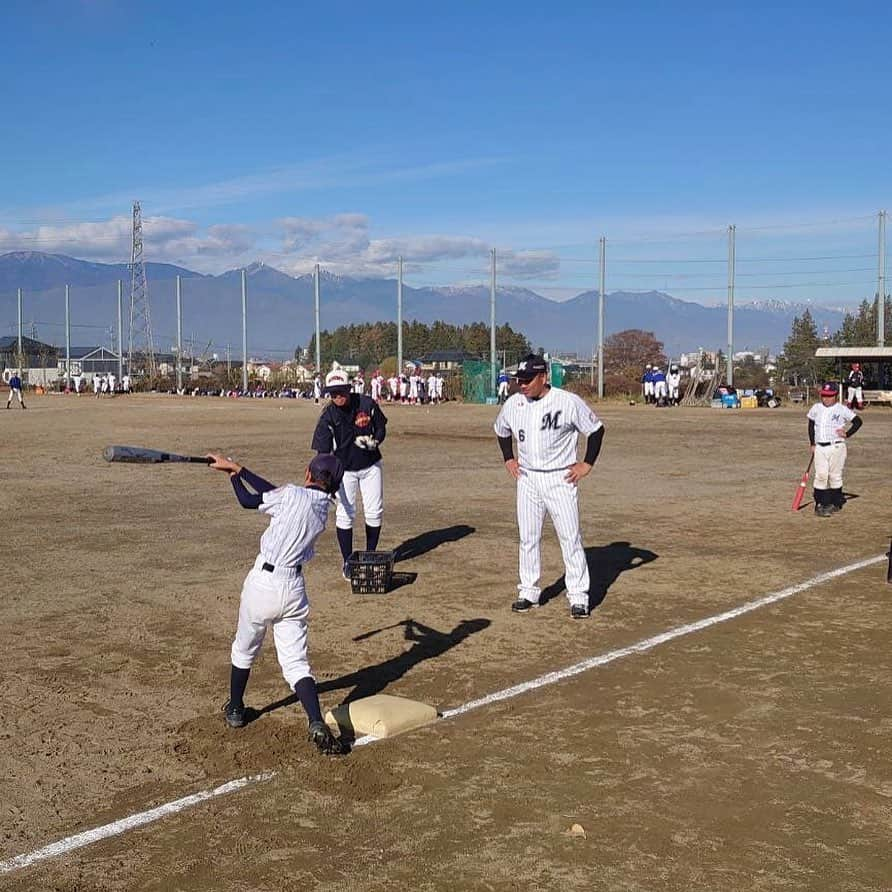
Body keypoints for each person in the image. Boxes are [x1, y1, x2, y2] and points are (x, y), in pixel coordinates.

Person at [206, 450, 348, 755]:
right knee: (296, 663)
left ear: (309, 474)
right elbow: (279, 494)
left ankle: (235, 709)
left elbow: (249, 500)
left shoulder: (292, 494)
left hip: (264, 584)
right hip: (294, 589)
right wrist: (239, 469)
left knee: (244, 649)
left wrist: (234, 475)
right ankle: (314, 720)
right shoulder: (324, 507)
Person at [494, 353, 605, 619]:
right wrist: (509, 458)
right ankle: (528, 591)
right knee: (528, 537)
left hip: (560, 478)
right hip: (528, 478)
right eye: (519, 379)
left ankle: (578, 596)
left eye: (528, 379)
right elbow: (501, 430)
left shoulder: (567, 402)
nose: (522, 384)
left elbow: (596, 430)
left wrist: (586, 464)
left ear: (544, 377)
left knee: (570, 537)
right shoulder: (514, 403)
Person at [312, 368, 388, 579]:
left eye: (342, 392)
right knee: (345, 513)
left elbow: (381, 428)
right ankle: (347, 561)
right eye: (333, 393)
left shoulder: (366, 404)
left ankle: (370, 556)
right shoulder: (327, 416)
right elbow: (322, 453)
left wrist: (375, 441)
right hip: (343, 471)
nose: (338, 397)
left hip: (371, 465)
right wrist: (325, 479)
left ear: (349, 388)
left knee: (374, 511)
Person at [807, 381, 863, 516]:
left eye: (830, 396)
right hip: (820, 446)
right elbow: (811, 425)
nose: (826, 398)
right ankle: (820, 503)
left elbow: (858, 421)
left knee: (835, 476)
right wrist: (812, 443)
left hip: (837, 446)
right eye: (824, 395)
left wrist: (847, 434)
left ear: (836, 395)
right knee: (821, 475)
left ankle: (836, 502)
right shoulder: (816, 408)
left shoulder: (841, 409)